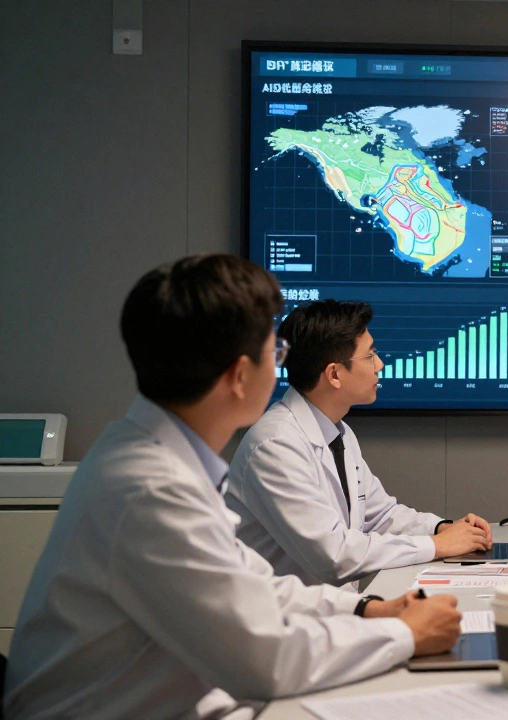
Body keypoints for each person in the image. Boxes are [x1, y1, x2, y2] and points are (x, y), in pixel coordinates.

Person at [3, 256, 462, 720]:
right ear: (239, 375)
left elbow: (256, 586)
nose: (282, 368)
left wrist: (368, 610)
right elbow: (265, 662)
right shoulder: (151, 489)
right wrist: (406, 635)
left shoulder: (154, 457)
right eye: (275, 353)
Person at [227, 300, 492, 589]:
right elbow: (334, 557)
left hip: (330, 615)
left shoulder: (338, 432)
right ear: (334, 375)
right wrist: (437, 545)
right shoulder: (275, 446)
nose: (380, 365)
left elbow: (380, 515)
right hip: (286, 624)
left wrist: (442, 528)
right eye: (370, 356)